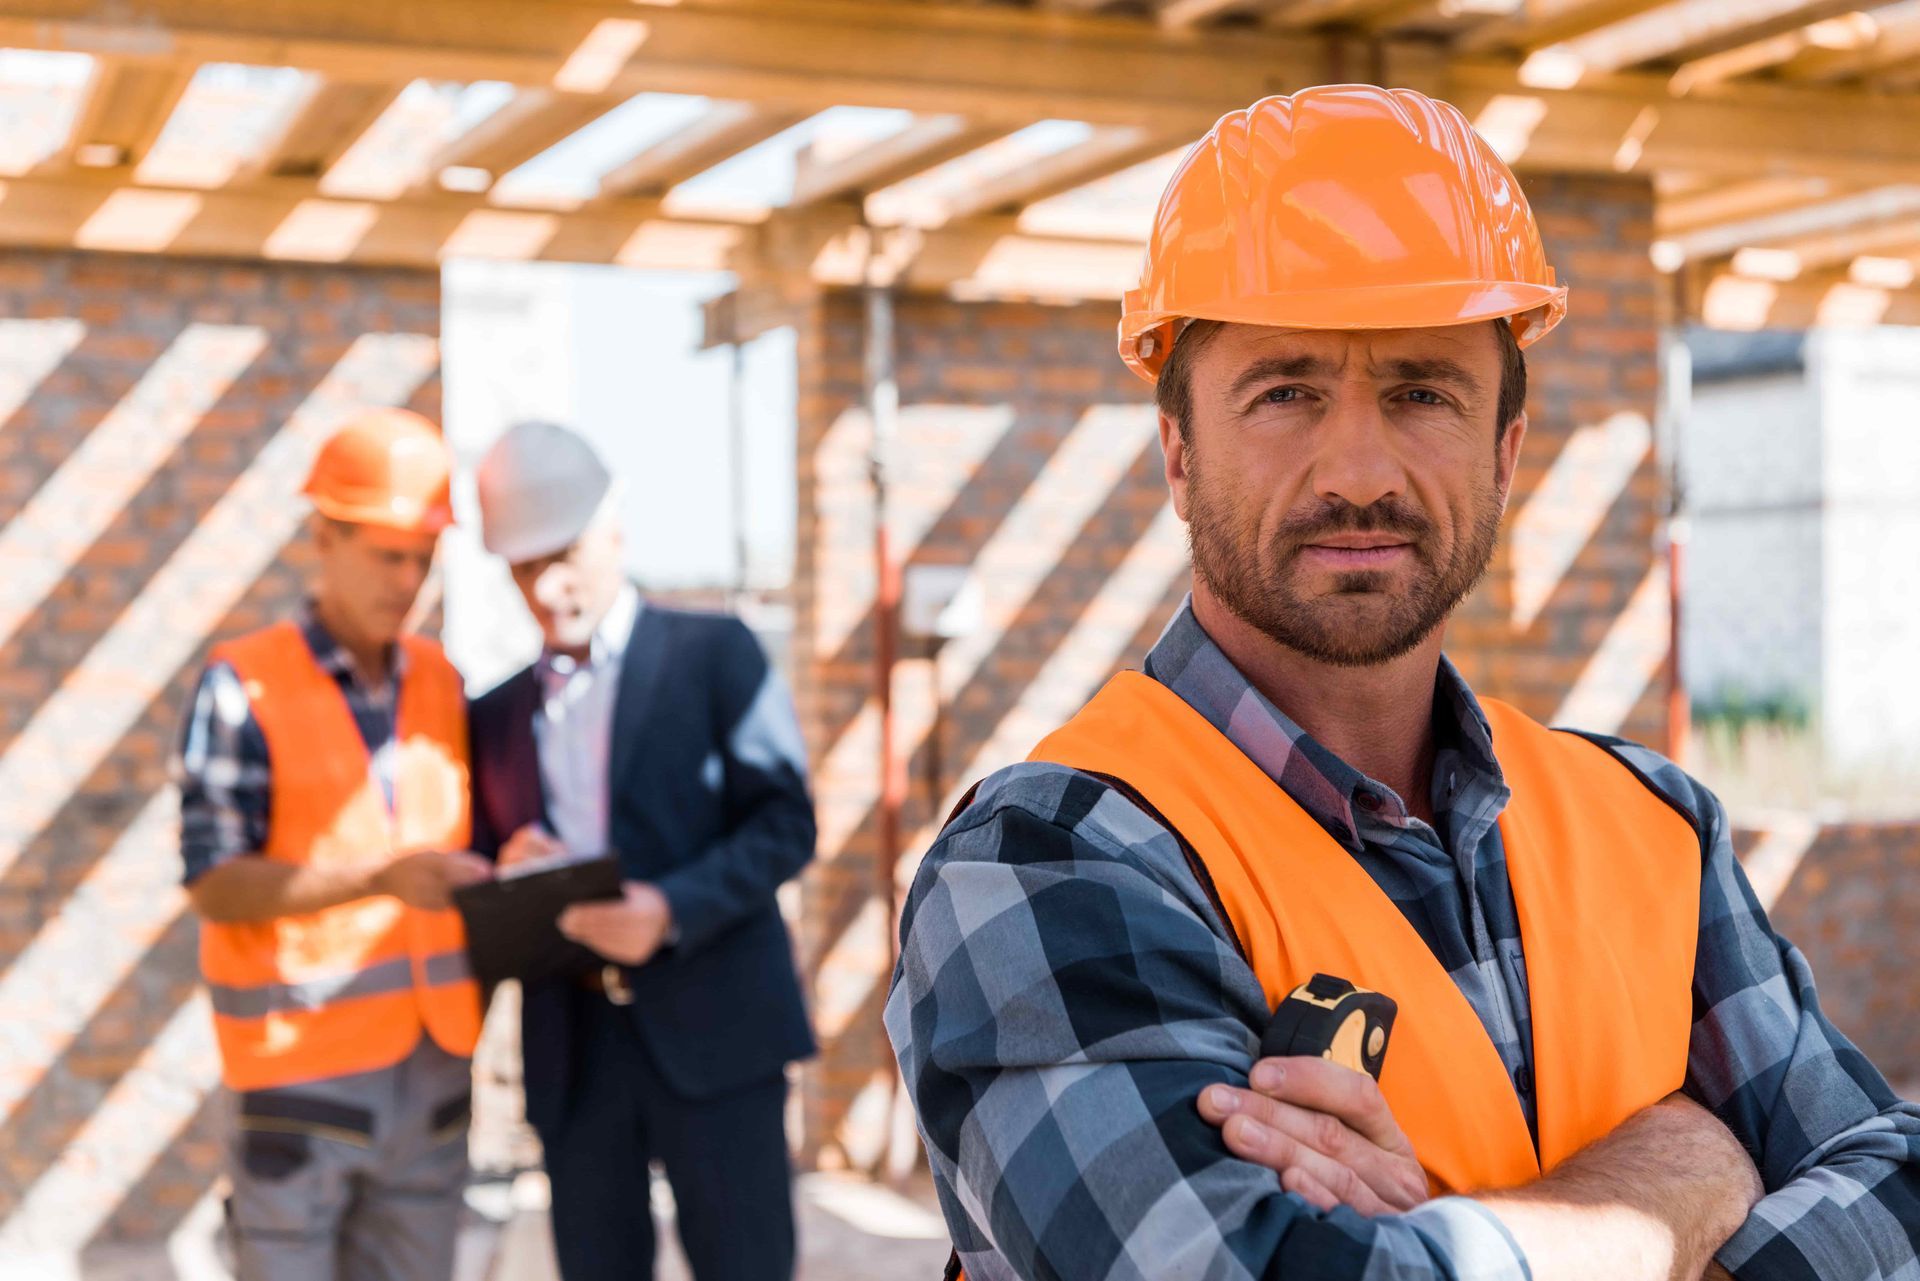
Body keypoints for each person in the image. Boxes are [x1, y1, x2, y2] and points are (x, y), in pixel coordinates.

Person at [887, 86, 1920, 1281]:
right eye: (1285, 392)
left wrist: (1440, 1239)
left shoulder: (1649, 824)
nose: (1360, 468)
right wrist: (1679, 1187)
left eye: (1424, 391)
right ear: (1179, 453)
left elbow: (1892, 1185)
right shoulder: (1047, 861)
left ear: (1505, 452)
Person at [467, 420, 817, 1281]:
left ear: (612, 522)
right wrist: (511, 869)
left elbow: (785, 823)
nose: (548, 586)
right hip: (574, 1048)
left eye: (564, 553)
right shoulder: (493, 713)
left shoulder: (716, 653)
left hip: (718, 1025)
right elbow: (476, 879)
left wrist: (669, 909)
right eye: (523, 567)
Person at [174, 408, 493, 1281]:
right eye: (385, 552)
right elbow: (215, 881)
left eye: (422, 556)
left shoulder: (441, 679)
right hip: (298, 1074)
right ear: (323, 535)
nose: (407, 578)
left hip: (428, 1074)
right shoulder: (243, 684)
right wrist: (380, 878)